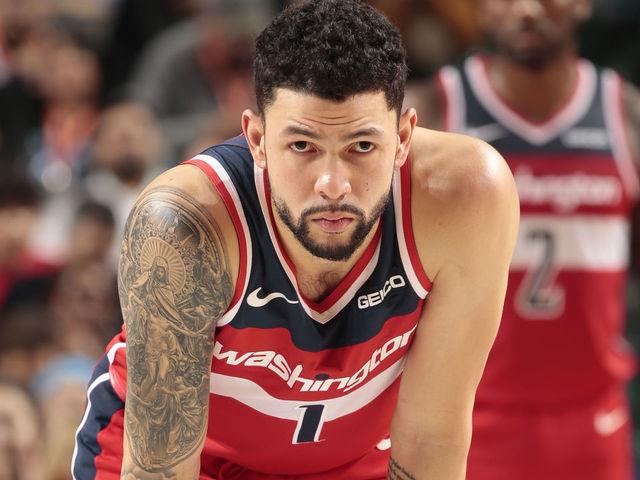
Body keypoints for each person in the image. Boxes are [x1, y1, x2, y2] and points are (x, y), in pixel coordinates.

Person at [73, 1, 519, 479]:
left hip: (349, 461)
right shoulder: (184, 226)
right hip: (184, 456)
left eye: (362, 146)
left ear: (404, 137)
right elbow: (161, 468)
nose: (333, 184)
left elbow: (431, 438)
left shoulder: (465, 196)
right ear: (256, 139)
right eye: (303, 146)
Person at [407, 0, 640, 479]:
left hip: (594, 420)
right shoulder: (431, 111)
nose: (528, 8)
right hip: (461, 421)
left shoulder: (626, 113)